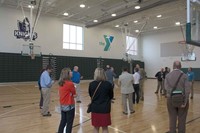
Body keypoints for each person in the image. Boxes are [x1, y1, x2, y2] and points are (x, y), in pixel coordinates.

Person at [164, 61, 190, 133]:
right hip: (182, 99)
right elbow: (187, 90)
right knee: (182, 118)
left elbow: (166, 88)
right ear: (180, 66)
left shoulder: (168, 76)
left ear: (173, 66)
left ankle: (172, 131)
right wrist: (185, 101)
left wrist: (173, 94)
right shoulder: (185, 76)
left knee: (172, 117)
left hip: (171, 99)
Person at [88, 68, 113, 133]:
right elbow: (111, 96)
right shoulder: (108, 84)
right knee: (105, 128)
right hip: (105, 109)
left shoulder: (91, 84)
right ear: (104, 74)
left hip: (95, 108)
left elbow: (91, 95)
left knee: (96, 128)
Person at [57, 68, 76, 133]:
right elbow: (74, 94)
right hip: (69, 105)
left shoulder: (61, 83)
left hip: (62, 105)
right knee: (69, 123)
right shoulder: (70, 83)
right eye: (70, 72)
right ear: (67, 74)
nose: (72, 73)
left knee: (63, 121)